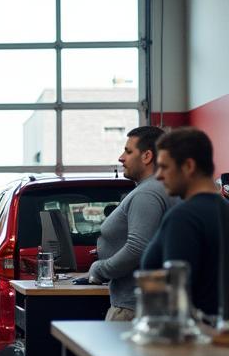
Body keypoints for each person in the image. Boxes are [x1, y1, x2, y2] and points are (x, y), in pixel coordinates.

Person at [87, 125, 174, 321]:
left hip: (133, 309)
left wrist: (100, 269)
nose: (121, 158)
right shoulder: (159, 188)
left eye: (128, 151)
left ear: (147, 156)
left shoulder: (147, 194)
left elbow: (138, 247)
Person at [140, 127, 229, 318]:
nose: (158, 175)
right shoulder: (224, 208)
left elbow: (177, 294)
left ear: (188, 166)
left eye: (164, 167)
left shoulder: (184, 217)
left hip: (189, 341)